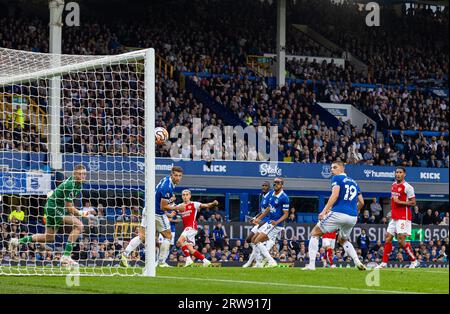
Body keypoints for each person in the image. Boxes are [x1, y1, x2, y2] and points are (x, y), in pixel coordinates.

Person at [9, 164, 87, 267]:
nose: (83, 176)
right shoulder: (70, 185)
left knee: (49, 237)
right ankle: (66, 256)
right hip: (53, 208)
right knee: (79, 225)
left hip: (56, 207)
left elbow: (68, 205)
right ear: (74, 174)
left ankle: (17, 241)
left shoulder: (78, 184)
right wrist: (81, 213)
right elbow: (69, 208)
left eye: (84, 174)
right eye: (80, 174)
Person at [303, 161, 366, 271]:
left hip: (338, 213)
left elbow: (335, 195)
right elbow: (361, 202)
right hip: (352, 217)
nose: (332, 170)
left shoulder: (337, 178)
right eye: (331, 168)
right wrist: (355, 211)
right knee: (343, 240)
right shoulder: (354, 182)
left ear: (342, 169)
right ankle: (357, 261)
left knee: (314, 233)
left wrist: (324, 211)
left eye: (334, 167)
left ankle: (311, 265)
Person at [120, 166, 185, 267]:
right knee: (168, 236)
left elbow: (161, 200)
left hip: (148, 209)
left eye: (180, 176)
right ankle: (161, 262)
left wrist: (170, 201)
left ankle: (125, 255)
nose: (178, 178)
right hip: (157, 213)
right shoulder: (167, 188)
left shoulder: (166, 180)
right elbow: (163, 207)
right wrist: (177, 208)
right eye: (176, 175)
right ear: (171, 175)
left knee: (141, 236)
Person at [377, 167, 419, 269]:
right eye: (396, 172)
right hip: (394, 217)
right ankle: (384, 263)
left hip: (403, 217)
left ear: (404, 174)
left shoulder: (408, 187)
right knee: (388, 238)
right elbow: (393, 201)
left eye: (400, 172)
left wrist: (400, 202)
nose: (398, 174)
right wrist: (392, 211)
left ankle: (414, 261)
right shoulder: (393, 185)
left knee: (401, 241)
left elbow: (413, 202)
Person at [252, 177, 290, 268]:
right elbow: (268, 209)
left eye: (278, 183)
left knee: (257, 241)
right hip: (270, 222)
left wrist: (276, 222)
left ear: (282, 185)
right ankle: (262, 261)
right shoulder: (272, 194)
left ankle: (270, 261)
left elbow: (286, 214)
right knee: (254, 239)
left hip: (276, 225)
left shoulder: (284, 198)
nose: (275, 184)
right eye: (274, 183)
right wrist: (259, 218)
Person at [176, 189, 218, 267]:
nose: (185, 196)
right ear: (181, 196)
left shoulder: (194, 204)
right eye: (183, 195)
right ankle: (206, 261)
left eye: (186, 195)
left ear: (190, 196)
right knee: (190, 249)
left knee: (180, 241)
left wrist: (213, 203)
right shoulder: (180, 206)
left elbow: (206, 205)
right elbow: (172, 213)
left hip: (191, 227)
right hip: (187, 229)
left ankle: (188, 260)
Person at [242, 181, 273, 268]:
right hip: (261, 220)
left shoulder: (271, 195)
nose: (263, 187)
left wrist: (258, 219)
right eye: (262, 185)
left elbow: (269, 210)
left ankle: (256, 261)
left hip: (266, 222)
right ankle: (258, 259)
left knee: (255, 240)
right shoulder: (263, 196)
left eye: (265, 185)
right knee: (249, 239)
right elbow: (262, 211)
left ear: (269, 187)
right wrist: (255, 217)